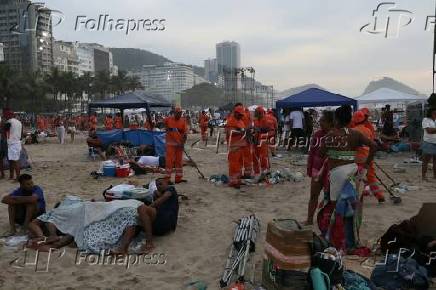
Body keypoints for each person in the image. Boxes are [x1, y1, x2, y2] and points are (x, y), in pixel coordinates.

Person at [319, 105, 377, 251]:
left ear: (335, 119)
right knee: (350, 210)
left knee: (333, 208)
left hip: (335, 176)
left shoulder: (329, 137)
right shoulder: (355, 134)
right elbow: (373, 146)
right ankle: (350, 243)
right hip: (352, 175)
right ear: (349, 119)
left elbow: (320, 154)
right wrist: (366, 165)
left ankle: (335, 241)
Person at [124, 178, 179, 253]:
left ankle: (149, 242)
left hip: (166, 221)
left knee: (141, 208)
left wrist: (149, 206)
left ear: (166, 183)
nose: (159, 186)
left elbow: (163, 198)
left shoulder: (170, 189)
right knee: (134, 218)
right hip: (157, 225)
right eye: (157, 185)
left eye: (160, 184)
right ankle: (123, 248)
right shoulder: (157, 194)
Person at [305, 110, 334, 225]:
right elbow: (312, 152)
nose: (320, 122)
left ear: (331, 122)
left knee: (331, 198)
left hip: (331, 171)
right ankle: (309, 219)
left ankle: (328, 222)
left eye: (323, 121)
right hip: (317, 170)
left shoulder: (336, 135)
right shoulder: (317, 134)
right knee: (313, 195)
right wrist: (309, 168)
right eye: (320, 120)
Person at [352, 111, 385, 203]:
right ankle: (379, 196)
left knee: (356, 179)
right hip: (368, 157)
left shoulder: (353, 131)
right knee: (371, 178)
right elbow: (371, 143)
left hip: (357, 158)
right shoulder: (368, 130)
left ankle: (357, 197)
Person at [164, 107, 187, 184]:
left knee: (179, 162)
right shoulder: (168, 119)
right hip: (170, 145)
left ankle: (178, 178)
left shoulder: (183, 121)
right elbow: (163, 125)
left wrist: (183, 144)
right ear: (174, 113)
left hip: (179, 145)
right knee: (169, 162)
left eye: (180, 113)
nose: (179, 114)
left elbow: (185, 134)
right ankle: (167, 179)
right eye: (178, 113)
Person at [226, 106, 246, 188]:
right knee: (234, 164)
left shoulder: (240, 121)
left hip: (241, 145)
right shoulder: (231, 120)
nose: (241, 116)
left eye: (242, 115)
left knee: (240, 163)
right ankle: (233, 181)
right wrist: (240, 131)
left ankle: (238, 179)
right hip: (234, 146)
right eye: (240, 114)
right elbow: (230, 132)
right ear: (236, 113)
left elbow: (243, 130)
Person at [3, 109, 22, 180]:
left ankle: (17, 178)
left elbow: (4, 131)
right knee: (12, 160)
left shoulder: (9, 122)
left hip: (12, 143)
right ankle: (11, 176)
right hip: (17, 142)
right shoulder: (19, 122)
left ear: (8, 116)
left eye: (5, 116)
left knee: (14, 161)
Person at [253, 106, 272, 176]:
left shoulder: (266, 119)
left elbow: (269, 130)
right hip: (256, 140)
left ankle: (265, 169)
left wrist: (260, 130)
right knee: (255, 155)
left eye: (256, 112)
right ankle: (257, 171)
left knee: (263, 155)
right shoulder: (256, 120)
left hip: (263, 140)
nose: (255, 114)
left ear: (260, 113)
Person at [421, 107, 436, 181]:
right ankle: (423, 176)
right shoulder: (426, 120)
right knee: (426, 160)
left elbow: (432, 130)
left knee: (435, 161)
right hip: (429, 142)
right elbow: (429, 131)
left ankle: (435, 176)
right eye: (434, 113)